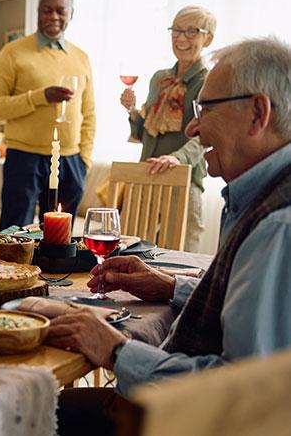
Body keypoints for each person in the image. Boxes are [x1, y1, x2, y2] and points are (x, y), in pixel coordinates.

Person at [49, 37, 291, 435]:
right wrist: (170, 286)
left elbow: (240, 396)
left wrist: (114, 349)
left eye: (205, 108)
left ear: (257, 114)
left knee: (20, 413)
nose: (193, 126)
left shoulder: (277, 226)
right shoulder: (262, 197)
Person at [0, 0, 95, 229]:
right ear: (37, 12)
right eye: (47, 10)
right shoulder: (13, 53)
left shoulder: (81, 57)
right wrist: (39, 97)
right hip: (25, 158)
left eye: (60, 11)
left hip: (70, 161)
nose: (54, 16)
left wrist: (83, 160)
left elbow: (89, 114)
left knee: (59, 241)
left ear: (71, 14)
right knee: (14, 235)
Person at [121, 6, 216, 251]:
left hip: (184, 177)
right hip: (147, 175)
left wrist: (176, 158)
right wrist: (132, 111)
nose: (181, 38)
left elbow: (206, 134)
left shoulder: (209, 81)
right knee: (134, 252)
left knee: (180, 258)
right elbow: (146, 133)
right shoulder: (159, 78)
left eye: (192, 31)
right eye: (176, 30)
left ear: (208, 38)